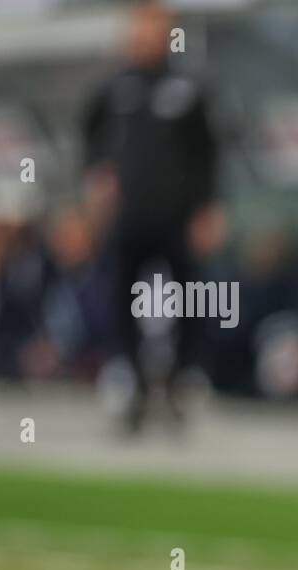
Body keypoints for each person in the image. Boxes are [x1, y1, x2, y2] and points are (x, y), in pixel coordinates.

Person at [82, 0, 220, 431]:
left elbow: (208, 154)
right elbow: (90, 143)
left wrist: (208, 209)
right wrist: (95, 181)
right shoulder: (112, 89)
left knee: (191, 300)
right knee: (120, 297)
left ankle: (180, 380)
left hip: (177, 217)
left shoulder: (187, 88)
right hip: (128, 217)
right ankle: (130, 380)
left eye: (155, 29)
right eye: (139, 29)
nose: (145, 38)